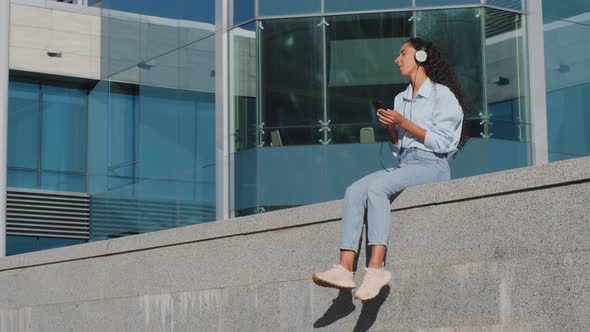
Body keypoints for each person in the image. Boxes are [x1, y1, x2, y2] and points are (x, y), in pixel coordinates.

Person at [312, 37, 467, 301]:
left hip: (433, 165)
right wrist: (392, 129)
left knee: (377, 188)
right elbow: (398, 150)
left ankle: (375, 269)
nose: (397, 59)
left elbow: (442, 143)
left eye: (402, 54)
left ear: (420, 57)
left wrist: (403, 121)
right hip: (407, 163)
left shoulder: (442, 95)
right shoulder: (400, 98)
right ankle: (345, 268)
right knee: (354, 190)